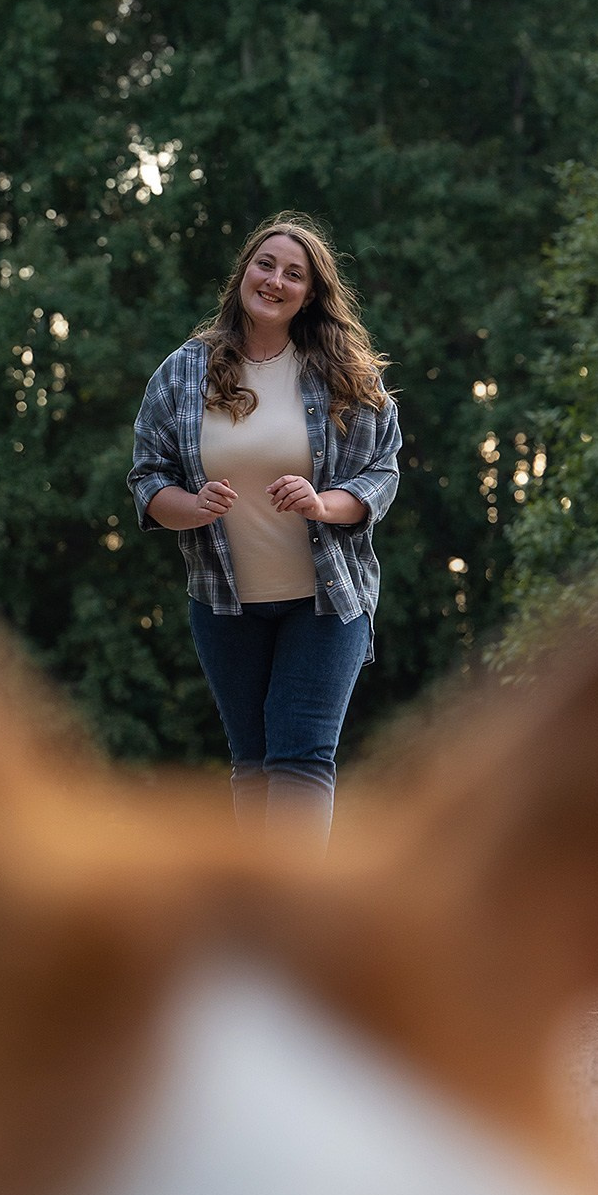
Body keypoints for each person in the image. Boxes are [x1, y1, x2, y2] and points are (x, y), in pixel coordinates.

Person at [128, 213, 401, 846]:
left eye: (293, 273)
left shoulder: (344, 375)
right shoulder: (184, 372)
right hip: (225, 604)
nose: (275, 280)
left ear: (311, 292)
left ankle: (297, 927)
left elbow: (381, 474)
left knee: (301, 760)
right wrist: (191, 506)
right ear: (243, 273)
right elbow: (148, 479)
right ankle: (257, 922)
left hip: (327, 600)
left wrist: (322, 502)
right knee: (252, 766)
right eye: (265, 264)